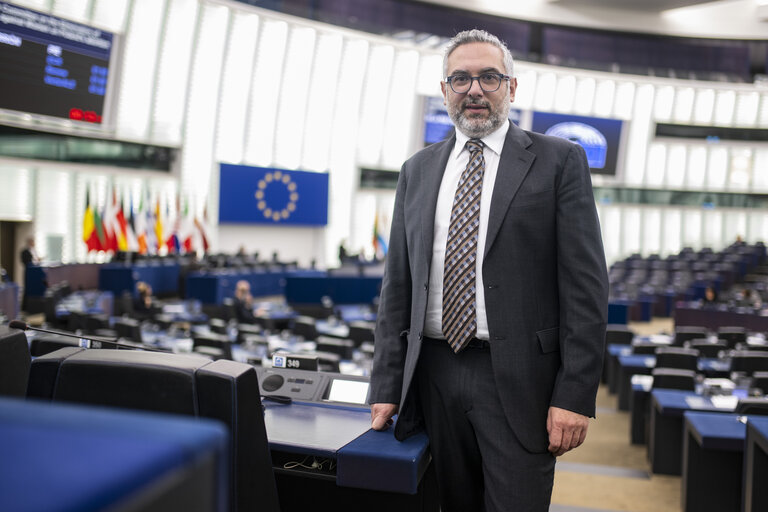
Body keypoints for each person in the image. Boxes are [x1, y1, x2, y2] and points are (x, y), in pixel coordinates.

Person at [369, 29, 608, 512]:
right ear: (445, 90)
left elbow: (586, 288)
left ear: (511, 88)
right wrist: (385, 385)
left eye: (489, 77)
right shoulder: (416, 169)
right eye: (460, 78)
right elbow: (398, 285)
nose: (474, 89)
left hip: (521, 380)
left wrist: (575, 394)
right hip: (432, 373)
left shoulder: (560, 160)